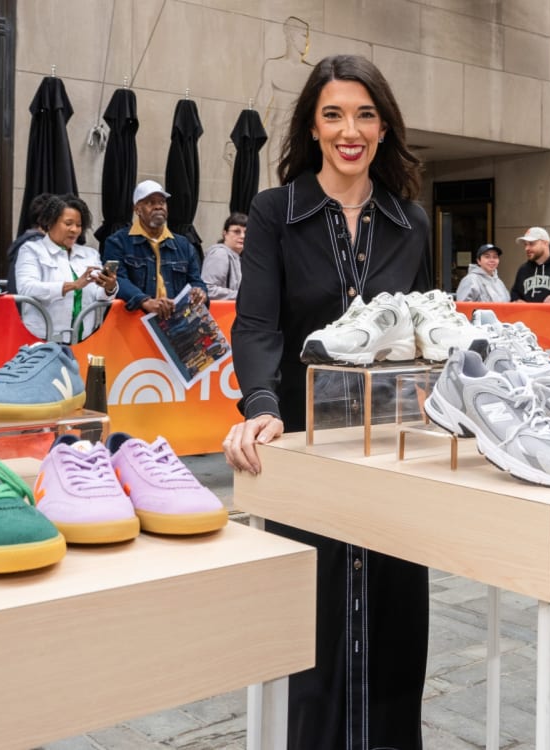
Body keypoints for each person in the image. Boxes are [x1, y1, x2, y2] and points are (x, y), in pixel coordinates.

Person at [224, 54, 430, 750]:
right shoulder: (275, 211)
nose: (351, 130)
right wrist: (260, 404)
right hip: (302, 441)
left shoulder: (410, 221)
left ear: (383, 127)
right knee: (309, 625)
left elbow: (424, 329)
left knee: (396, 623)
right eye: (334, 114)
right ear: (312, 127)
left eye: (366, 115)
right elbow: (257, 323)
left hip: (393, 448)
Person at [14, 194, 116, 342]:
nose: (74, 230)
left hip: (84, 339)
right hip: (44, 339)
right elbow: (26, 288)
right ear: (50, 222)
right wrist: (73, 285)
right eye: (68, 223)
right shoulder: (31, 250)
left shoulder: (90, 254)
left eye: (79, 225)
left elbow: (99, 296)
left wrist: (109, 287)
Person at [101, 179, 207, 315]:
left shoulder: (184, 245)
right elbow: (117, 280)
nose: (158, 207)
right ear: (137, 209)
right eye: (150, 202)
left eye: (162, 202)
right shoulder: (116, 242)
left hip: (174, 321)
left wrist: (199, 292)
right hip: (133, 321)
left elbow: (196, 281)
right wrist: (144, 301)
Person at [202, 212, 246, 300]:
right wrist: (243, 296)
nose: (242, 236)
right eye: (236, 232)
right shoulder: (220, 254)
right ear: (225, 233)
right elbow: (208, 289)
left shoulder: (237, 257)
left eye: (246, 232)